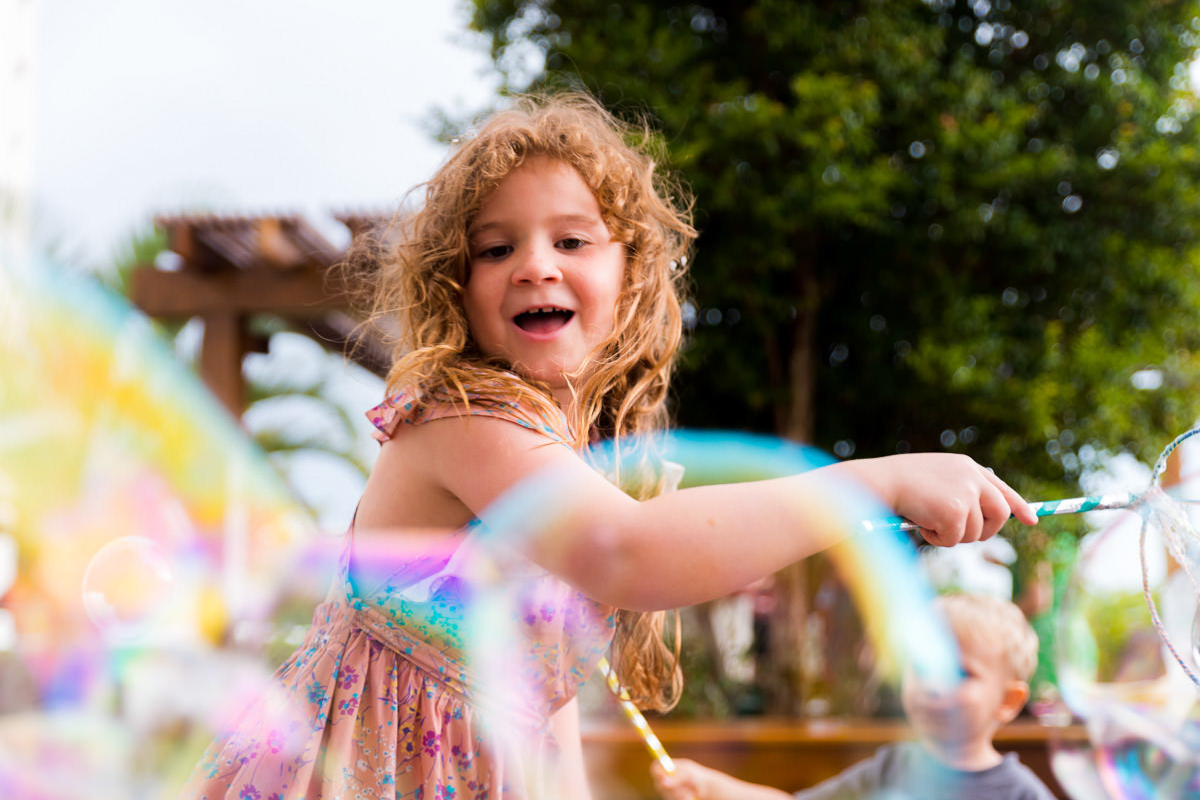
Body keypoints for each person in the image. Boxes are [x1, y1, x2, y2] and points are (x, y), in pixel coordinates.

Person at [176, 92, 1037, 800]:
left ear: (629, 277)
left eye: (572, 240)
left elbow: (541, 695)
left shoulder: (571, 460)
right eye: (495, 248)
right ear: (457, 286)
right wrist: (873, 483)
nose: (535, 264)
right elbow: (629, 551)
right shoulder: (463, 418)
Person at [651, 593, 1056, 800]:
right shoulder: (892, 767)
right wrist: (709, 784)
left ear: (1008, 701)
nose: (935, 685)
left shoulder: (1020, 793)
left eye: (961, 673)